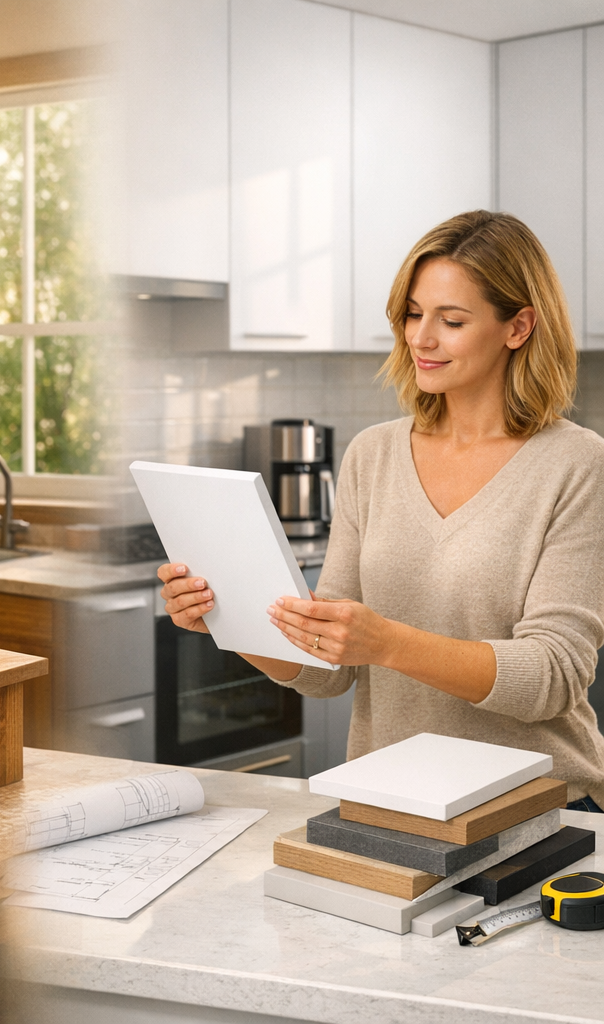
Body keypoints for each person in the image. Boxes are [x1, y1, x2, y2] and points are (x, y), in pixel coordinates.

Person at [159, 210, 604, 812]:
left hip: (537, 811)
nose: (421, 337)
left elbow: (552, 676)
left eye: (451, 320)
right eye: (413, 313)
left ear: (518, 327)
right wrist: (226, 618)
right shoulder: (373, 454)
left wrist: (388, 642)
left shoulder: (577, 464)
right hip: (391, 803)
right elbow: (327, 671)